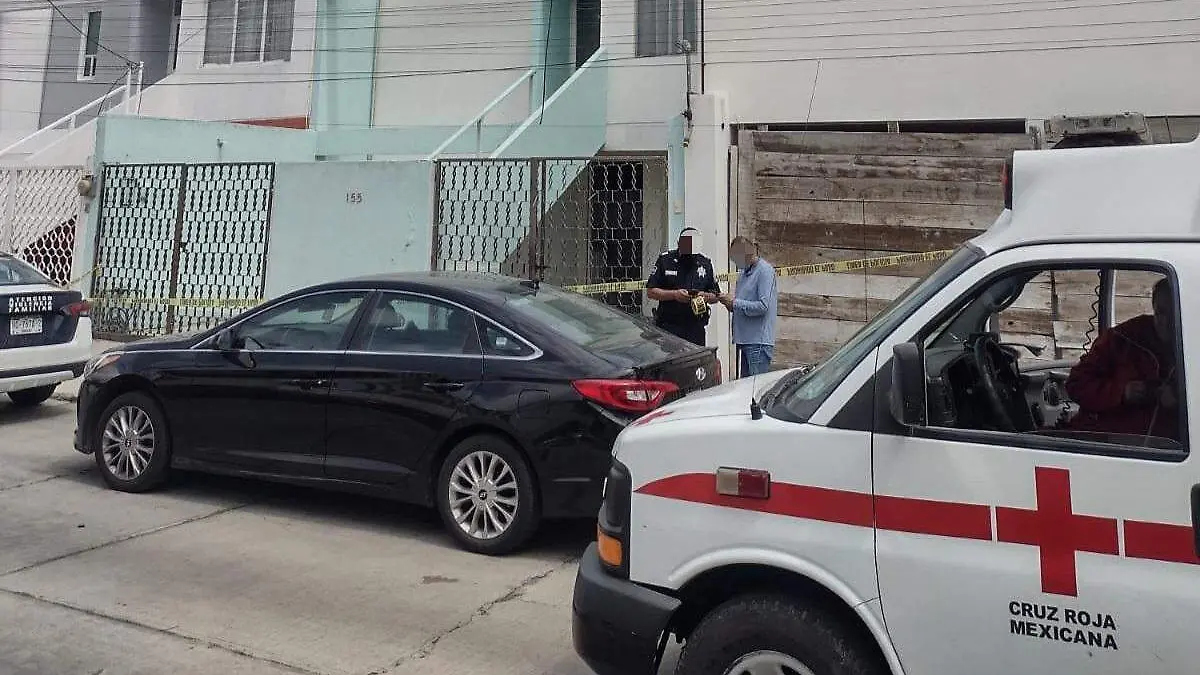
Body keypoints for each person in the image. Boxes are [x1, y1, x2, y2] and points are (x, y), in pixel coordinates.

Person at [1064, 278, 1179, 440]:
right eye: (1161, 312)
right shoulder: (1123, 338)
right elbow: (1076, 384)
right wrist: (1121, 392)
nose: (1166, 322)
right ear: (1153, 308)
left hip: (1169, 447)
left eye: (1174, 314)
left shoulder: (1193, 347)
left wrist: (1179, 400)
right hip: (1105, 442)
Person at [646, 227, 721, 346]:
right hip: (669, 326)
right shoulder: (665, 260)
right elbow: (651, 291)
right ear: (678, 243)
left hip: (695, 328)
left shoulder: (705, 263)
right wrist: (674, 295)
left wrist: (704, 296)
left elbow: (716, 295)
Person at [719, 236, 778, 377]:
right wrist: (727, 302)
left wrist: (735, 302)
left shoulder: (765, 271)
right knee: (745, 387)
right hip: (744, 341)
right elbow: (741, 304)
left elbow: (763, 306)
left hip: (758, 343)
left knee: (756, 387)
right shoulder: (743, 274)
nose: (735, 261)